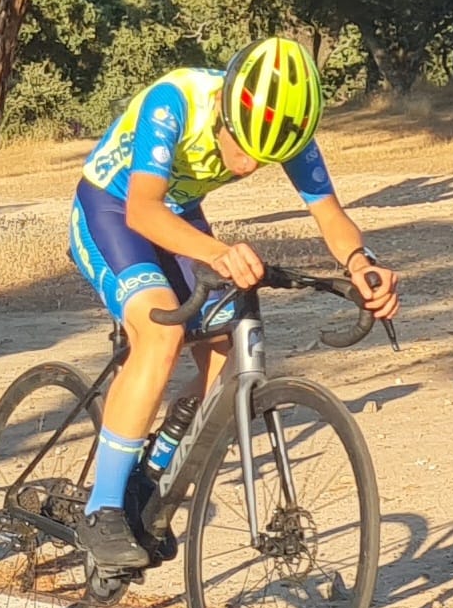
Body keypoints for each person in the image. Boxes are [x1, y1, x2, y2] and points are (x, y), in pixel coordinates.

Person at [69, 35, 400, 567]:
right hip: (114, 209)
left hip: (178, 214)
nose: (247, 165)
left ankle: (154, 465)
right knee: (161, 333)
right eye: (241, 146)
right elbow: (144, 213)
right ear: (225, 108)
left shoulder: (287, 129)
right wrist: (221, 253)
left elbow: (330, 214)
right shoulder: (174, 101)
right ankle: (103, 508)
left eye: (263, 158)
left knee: (225, 342)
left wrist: (361, 264)